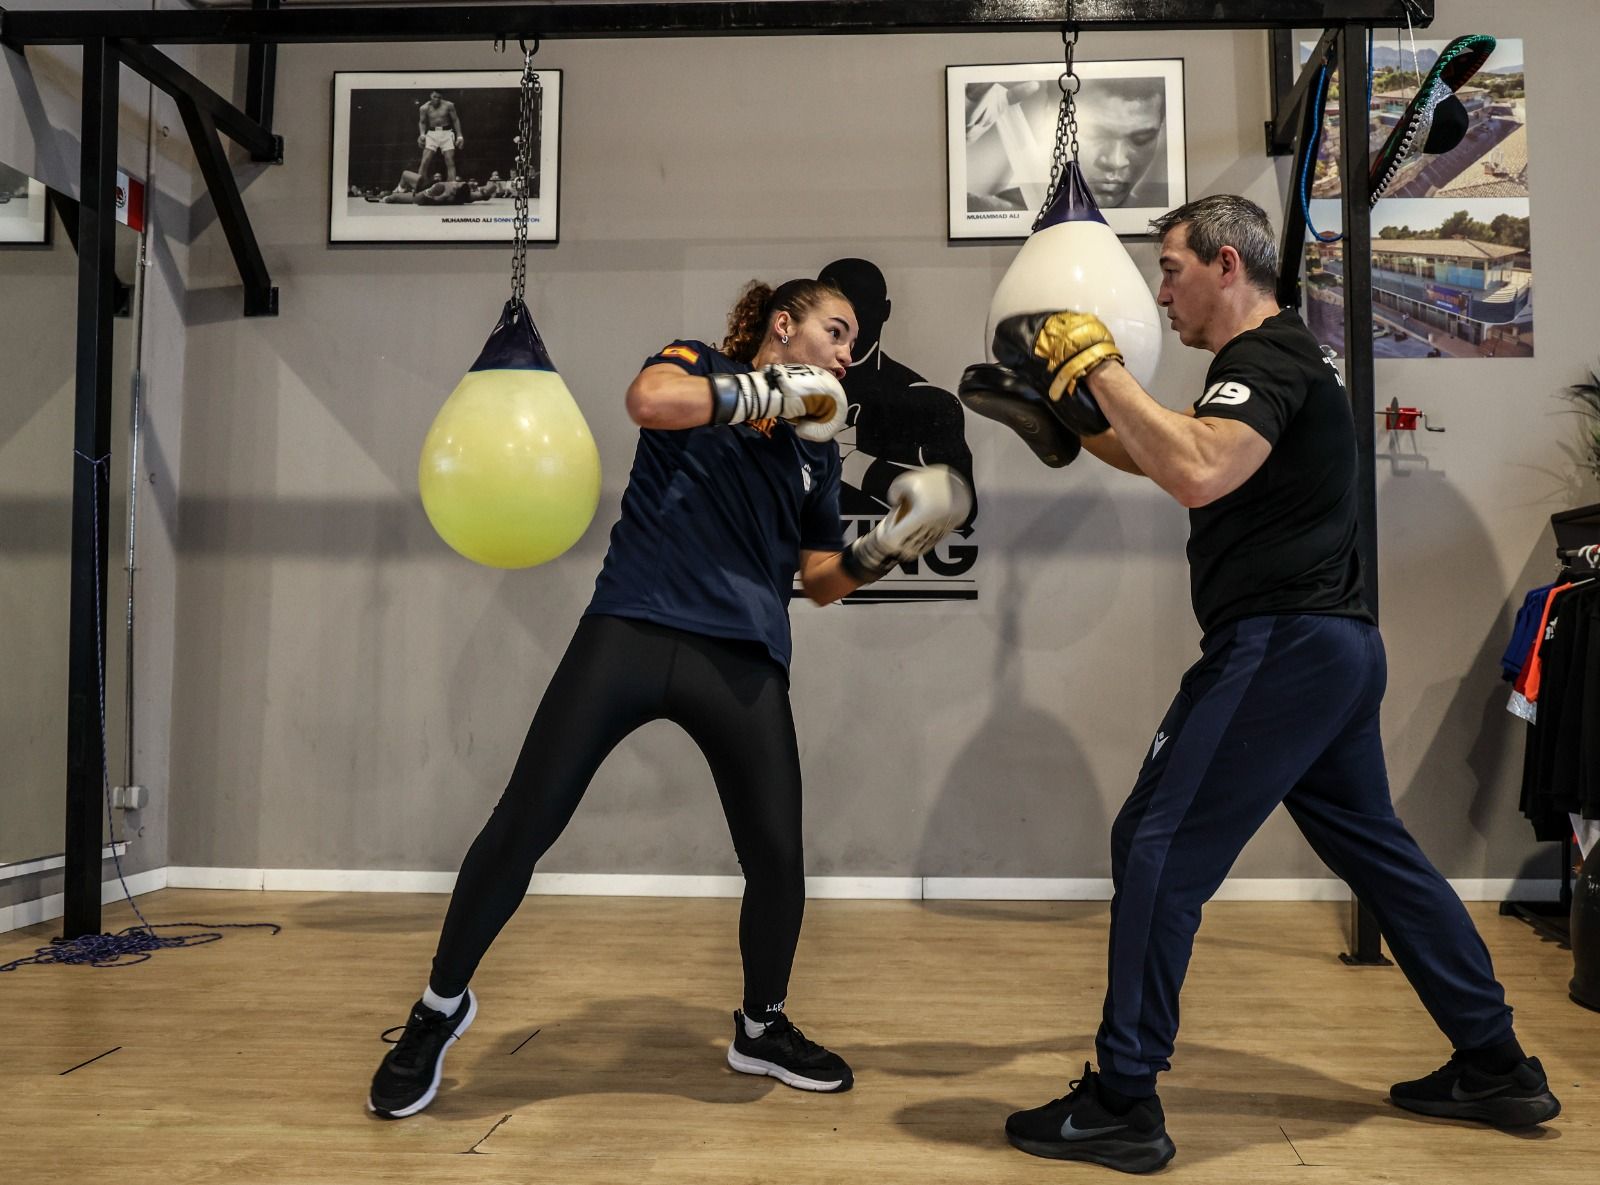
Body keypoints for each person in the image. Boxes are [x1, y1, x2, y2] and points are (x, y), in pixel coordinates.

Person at [964, 194, 1559, 1173]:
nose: (1161, 294)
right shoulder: (1274, 369)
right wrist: (1067, 423)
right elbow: (1179, 455)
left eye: (1171, 269)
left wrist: (1098, 365)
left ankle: (1123, 1100)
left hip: (1282, 645)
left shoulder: (1266, 358)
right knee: (1377, 853)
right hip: (1332, 649)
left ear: (1227, 264)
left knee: (1153, 844)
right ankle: (1496, 1063)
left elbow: (1196, 470)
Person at [367, 278, 971, 1119]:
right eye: (835, 332)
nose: (846, 354)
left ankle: (761, 1026)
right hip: (632, 626)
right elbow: (648, 401)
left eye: (851, 341)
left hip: (744, 655)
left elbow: (819, 579)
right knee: (523, 822)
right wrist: (767, 393)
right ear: (784, 325)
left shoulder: (816, 453)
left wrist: (890, 544)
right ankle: (437, 1010)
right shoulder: (698, 363)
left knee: (777, 859)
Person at [816, 258, 977, 525]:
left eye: (856, 306)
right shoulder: (781, 396)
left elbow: (962, 506)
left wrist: (852, 463)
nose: (845, 321)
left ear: (885, 311)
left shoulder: (925, 401)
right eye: (828, 310)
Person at [964, 77, 1167, 213]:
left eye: (1141, 139)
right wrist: (954, 132)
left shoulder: (1165, 222)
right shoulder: (988, 213)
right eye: (1094, 134)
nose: (1115, 161)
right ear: (1051, 120)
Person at [416, 90, 465, 183]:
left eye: (439, 97)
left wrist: (459, 136)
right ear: (430, 96)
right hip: (432, 133)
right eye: (434, 97)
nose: (437, 99)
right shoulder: (424, 108)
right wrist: (422, 134)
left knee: (450, 160)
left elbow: (455, 119)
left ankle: (451, 185)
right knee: (425, 160)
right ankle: (419, 185)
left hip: (447, 133)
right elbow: (422, 122)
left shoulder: (449, 105)